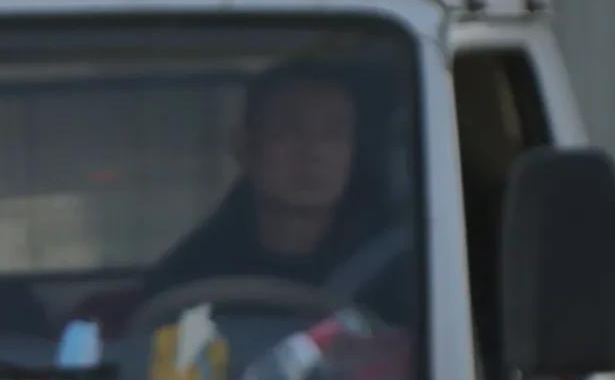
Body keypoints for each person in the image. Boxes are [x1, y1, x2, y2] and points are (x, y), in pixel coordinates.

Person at [141, 54, 417, 327]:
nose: (314, 153)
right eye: (289, 131)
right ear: (245, 149)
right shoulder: (191, 272)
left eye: (334, 134)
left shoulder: (399, 270)